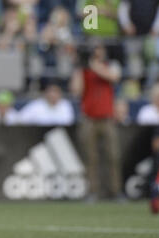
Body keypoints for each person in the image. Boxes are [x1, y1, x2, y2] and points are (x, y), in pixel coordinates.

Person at [70, 41, 123, 201]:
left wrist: (93, 65)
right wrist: (80, 67)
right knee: (90, 157)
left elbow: (114, 77)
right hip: (89, 118)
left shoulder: (110, 65)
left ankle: (115, 191)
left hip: (107, 118)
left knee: (113, 156)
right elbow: (76, 90)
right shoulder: (84, 70)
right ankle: (92, 191)